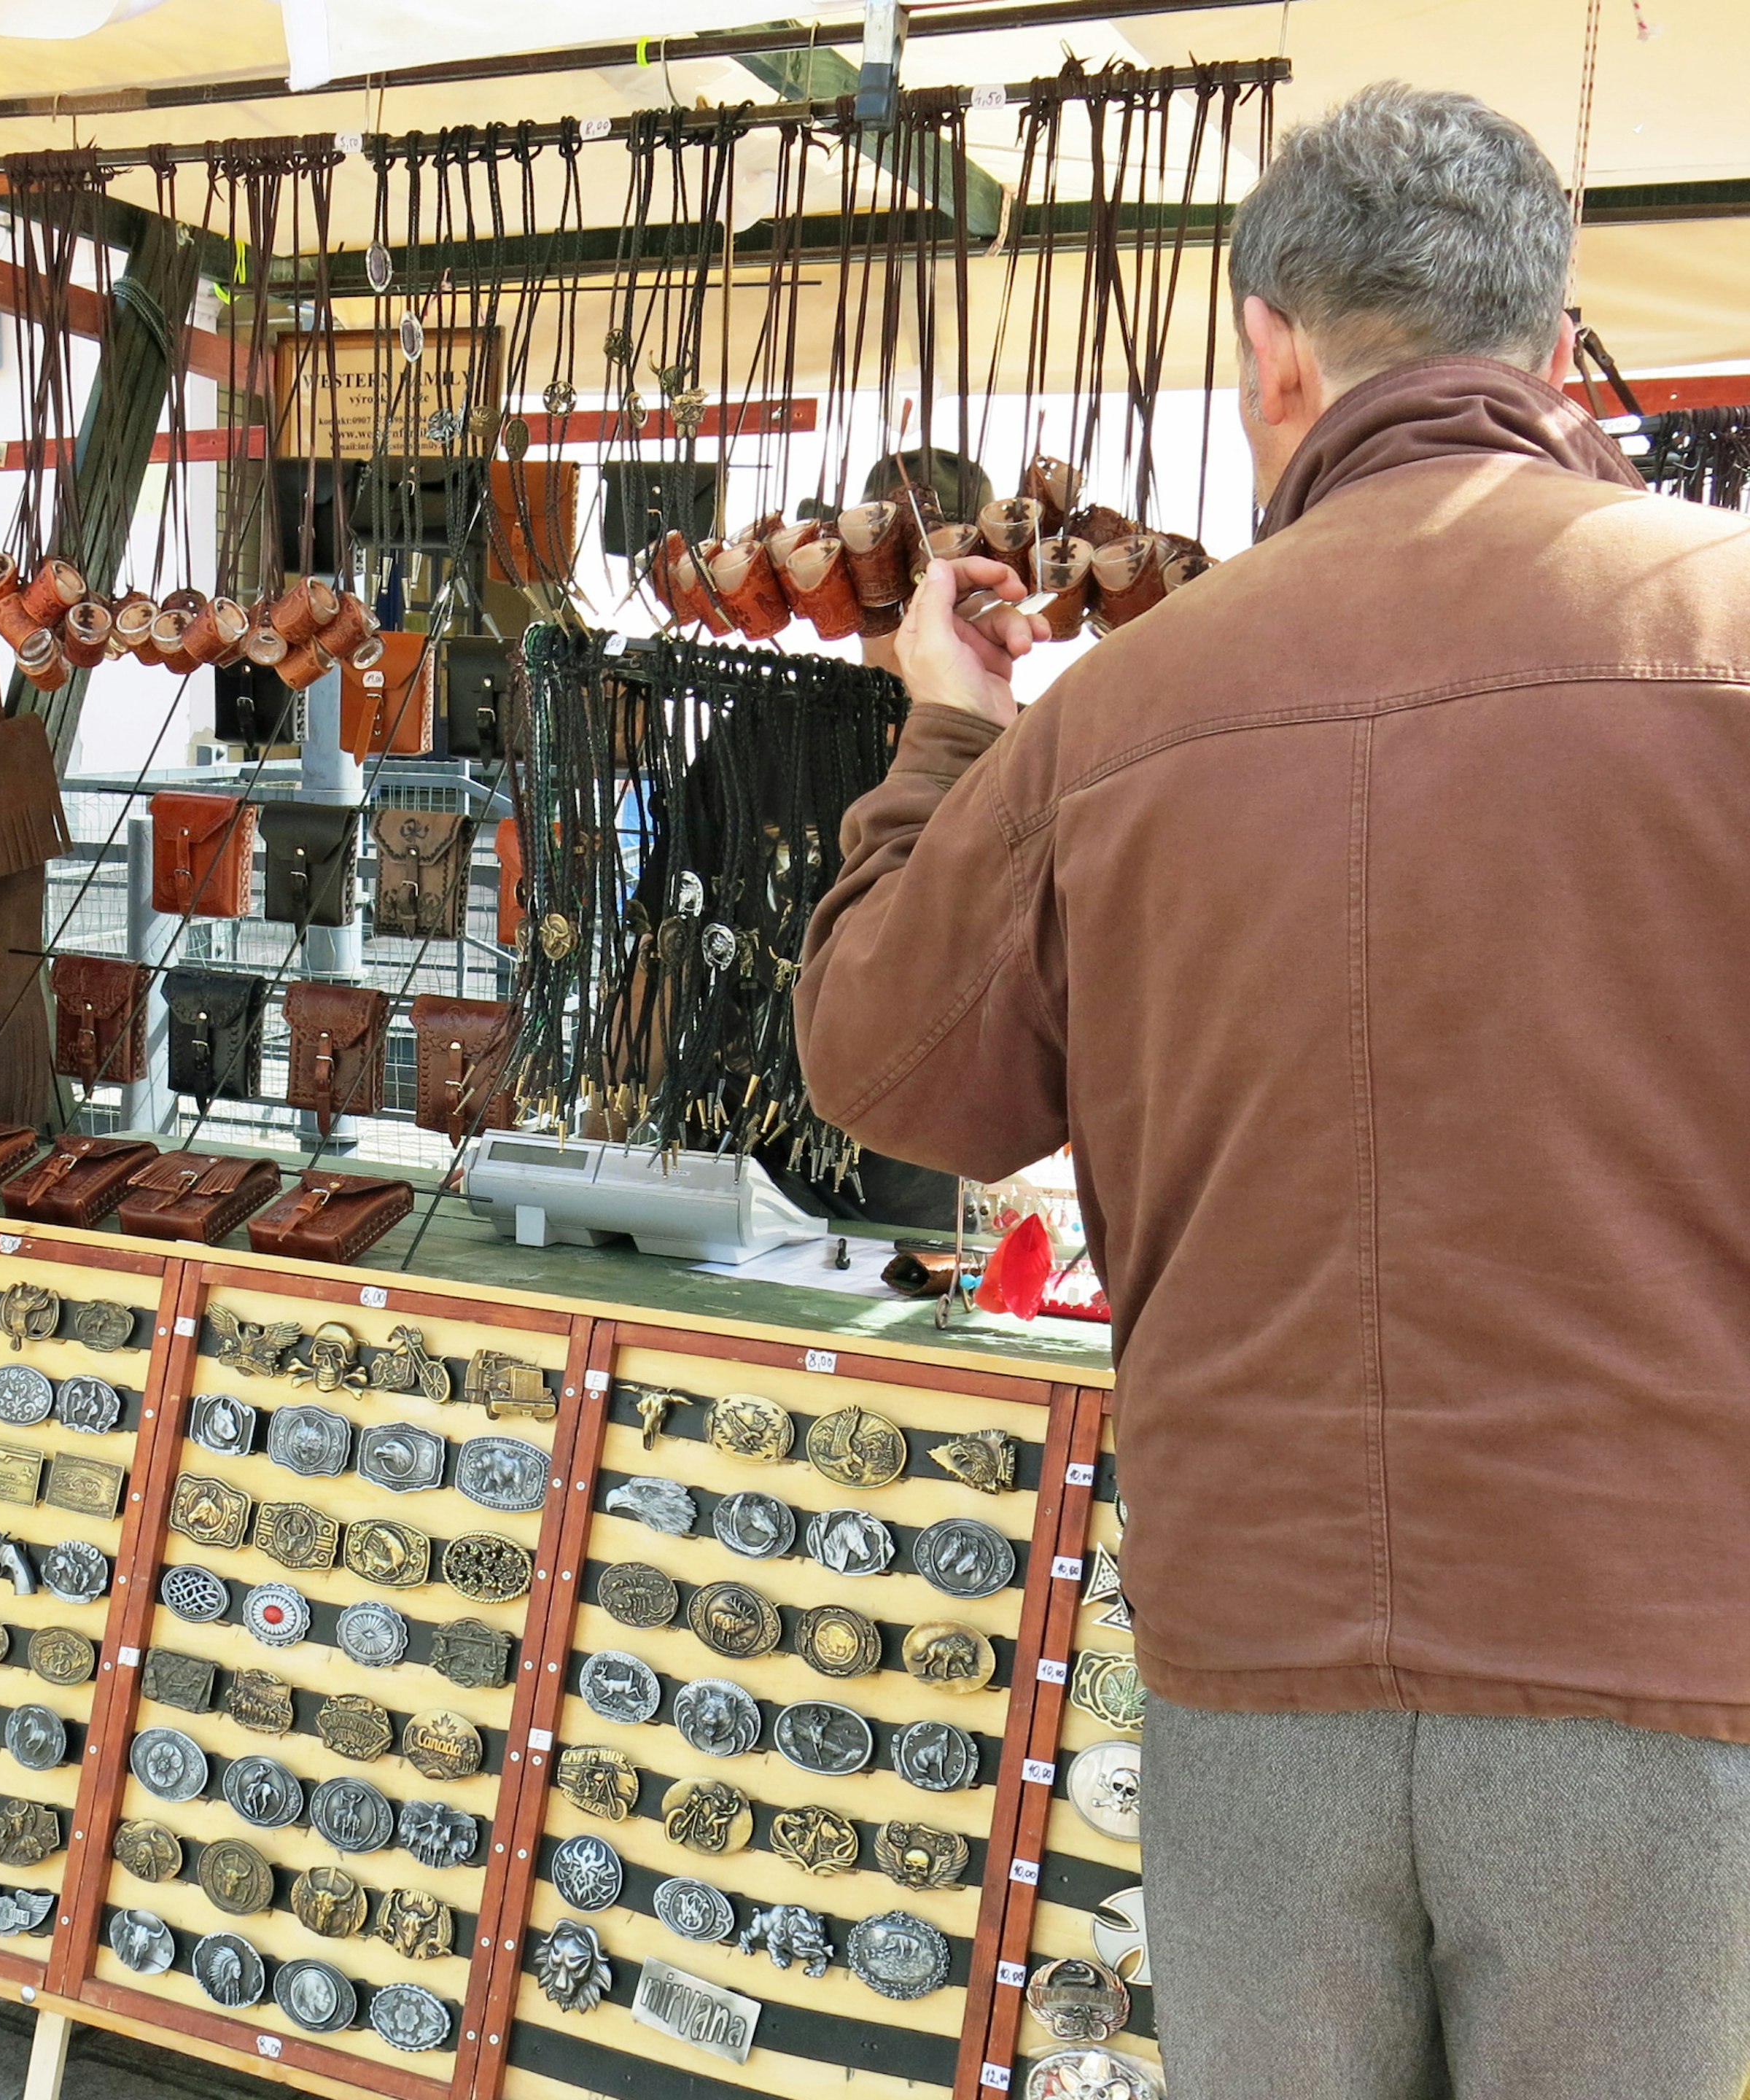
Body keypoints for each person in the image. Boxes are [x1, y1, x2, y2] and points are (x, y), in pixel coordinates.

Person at [793, 83, 1750, 2100]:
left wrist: (946, 742)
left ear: (1274, 352)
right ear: (1550, 340)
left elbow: (886, 1065)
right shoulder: (1723, 632)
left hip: (1260, 1650)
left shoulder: (1121, 709)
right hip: (1666, 1643)